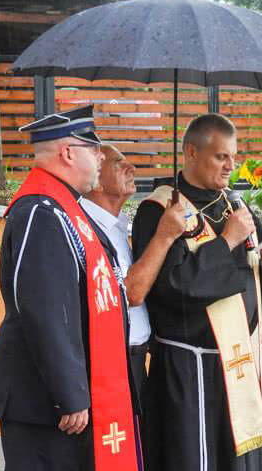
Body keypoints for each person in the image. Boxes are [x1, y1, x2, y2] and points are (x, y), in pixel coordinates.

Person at [0, 105, 140, 471]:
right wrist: (69, 394)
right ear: (67, 153)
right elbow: (43, 311)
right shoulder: (41, 212)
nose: (102, 156)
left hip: (68, 399)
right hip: (45, 402)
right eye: (93, 148)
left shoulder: (65, 209)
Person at [132, 113, 262, 471]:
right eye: (222, 157)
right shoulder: (160, 210)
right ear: (191, 152)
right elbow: (174, 287)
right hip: (189, 368)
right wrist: (228, 240)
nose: (230, 166)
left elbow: (243, 276)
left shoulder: (236, 205)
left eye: (233, 157)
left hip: (234, 361)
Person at [81, 144, 186, 416]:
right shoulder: (87, 228)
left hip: (136, 361)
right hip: (110, 364)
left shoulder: (116, 225)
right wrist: (164, 236)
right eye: (118, 164)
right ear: (95, 178)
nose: (131, 169)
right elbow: (130, 294)